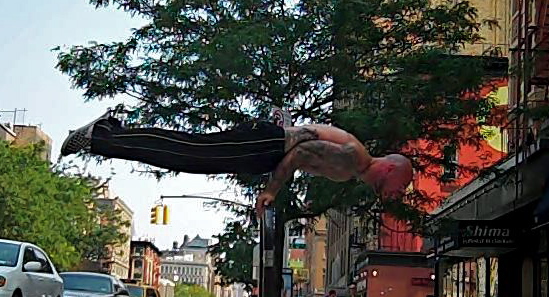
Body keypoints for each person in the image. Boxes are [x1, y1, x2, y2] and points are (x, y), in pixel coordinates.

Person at [61, 110, 413, 216]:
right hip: (264, 148)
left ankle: (107, 136)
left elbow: (305, 137)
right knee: (187, 153)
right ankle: (103, 136)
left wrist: (283, 126)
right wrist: (272, 190)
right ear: (390, 169)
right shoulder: (353, 159)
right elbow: (303, 151)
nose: (387, 193)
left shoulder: (353, 159)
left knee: (188, 152)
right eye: (392, 187)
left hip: (266, 145)